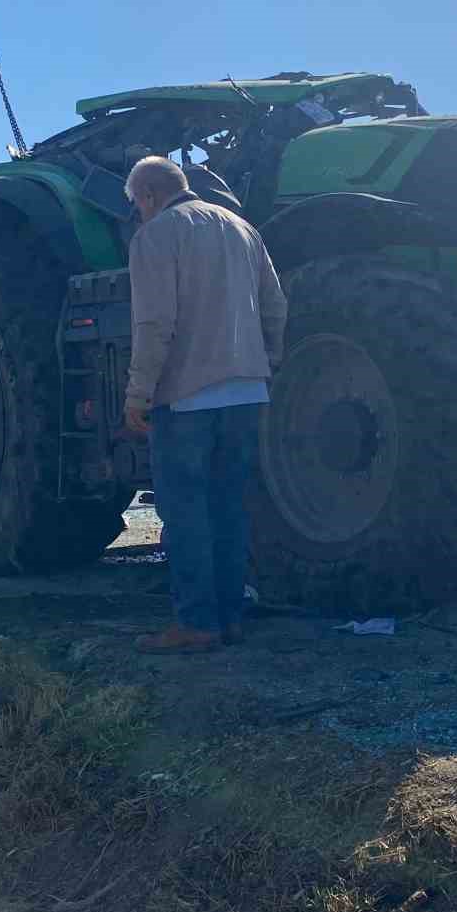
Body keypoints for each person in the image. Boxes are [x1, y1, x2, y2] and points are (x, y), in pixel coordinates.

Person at [123, 156, 287, 655]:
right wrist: (267, 361)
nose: (138, 214)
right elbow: (276, 304)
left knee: (186, 510)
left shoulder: (157, 236)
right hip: (246, 391)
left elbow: (155, 324)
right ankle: (230, 617)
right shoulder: (242, 229)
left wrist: (137, 393)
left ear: (149, 195)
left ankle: (197, 622)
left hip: (189, 396)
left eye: (136, 205)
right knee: (230, 508)